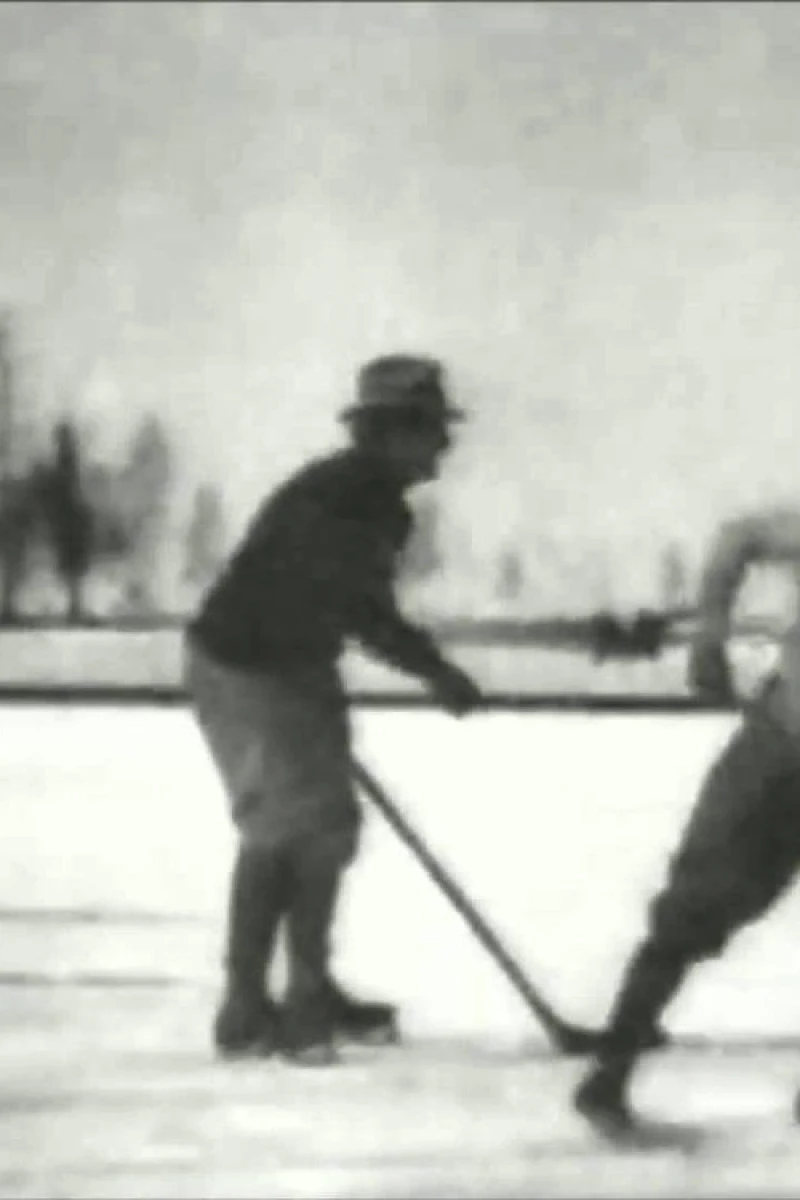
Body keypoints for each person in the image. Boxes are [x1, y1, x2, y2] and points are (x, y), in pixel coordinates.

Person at [185, 354, 483, 1066]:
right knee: (293, 827)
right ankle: (260, 1006)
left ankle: (300, 990)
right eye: (432, 431)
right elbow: (363, 610)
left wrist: (430, 666)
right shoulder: (342, 498)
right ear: (390, 434)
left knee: (325, 827)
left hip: (293, 663)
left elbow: (359, 608)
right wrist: (436, 672)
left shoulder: (376, 502)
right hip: (247, 664)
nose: (444, 445)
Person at [573, 507, 800, 1138]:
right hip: (782, 746)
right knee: (691, 908)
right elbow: (739, 537)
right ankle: (609, 1074)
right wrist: (709, 637)